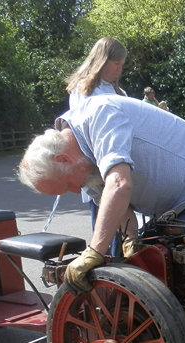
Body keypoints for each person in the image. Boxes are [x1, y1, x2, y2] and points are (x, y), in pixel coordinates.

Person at [17, 94, 185, 293]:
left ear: (63, 160)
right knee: (157, 268)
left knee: (184, 277)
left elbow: (119, 185)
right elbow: (120, 207)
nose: (74, 190)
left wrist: (95, 252)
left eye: (67, 185)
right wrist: (131, 239)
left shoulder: (101, 116)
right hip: (165, 201)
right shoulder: (82, 165)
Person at [65, 37, 128, 254]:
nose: (119, 69)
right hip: (98, 170)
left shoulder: (117, 92)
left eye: (122, 65)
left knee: (125, 230)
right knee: (105, 230)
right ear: (102, 61)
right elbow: (84, 131)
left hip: (120, 166)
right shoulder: (83, 91)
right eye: (116, 64)